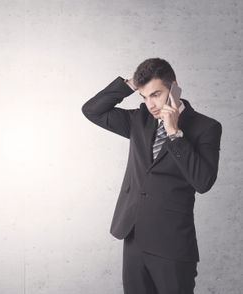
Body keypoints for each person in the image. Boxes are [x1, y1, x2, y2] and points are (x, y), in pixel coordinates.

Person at [81, 57, 222, 294]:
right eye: (144, 97)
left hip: (173, 245)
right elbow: (92, 110)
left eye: (156, 94)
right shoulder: (139, 120)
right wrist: (130, 84)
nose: (151, 104)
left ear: (174, 87)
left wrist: (174, 133)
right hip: (134, 237)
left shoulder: (206, 127)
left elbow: (203, 182)